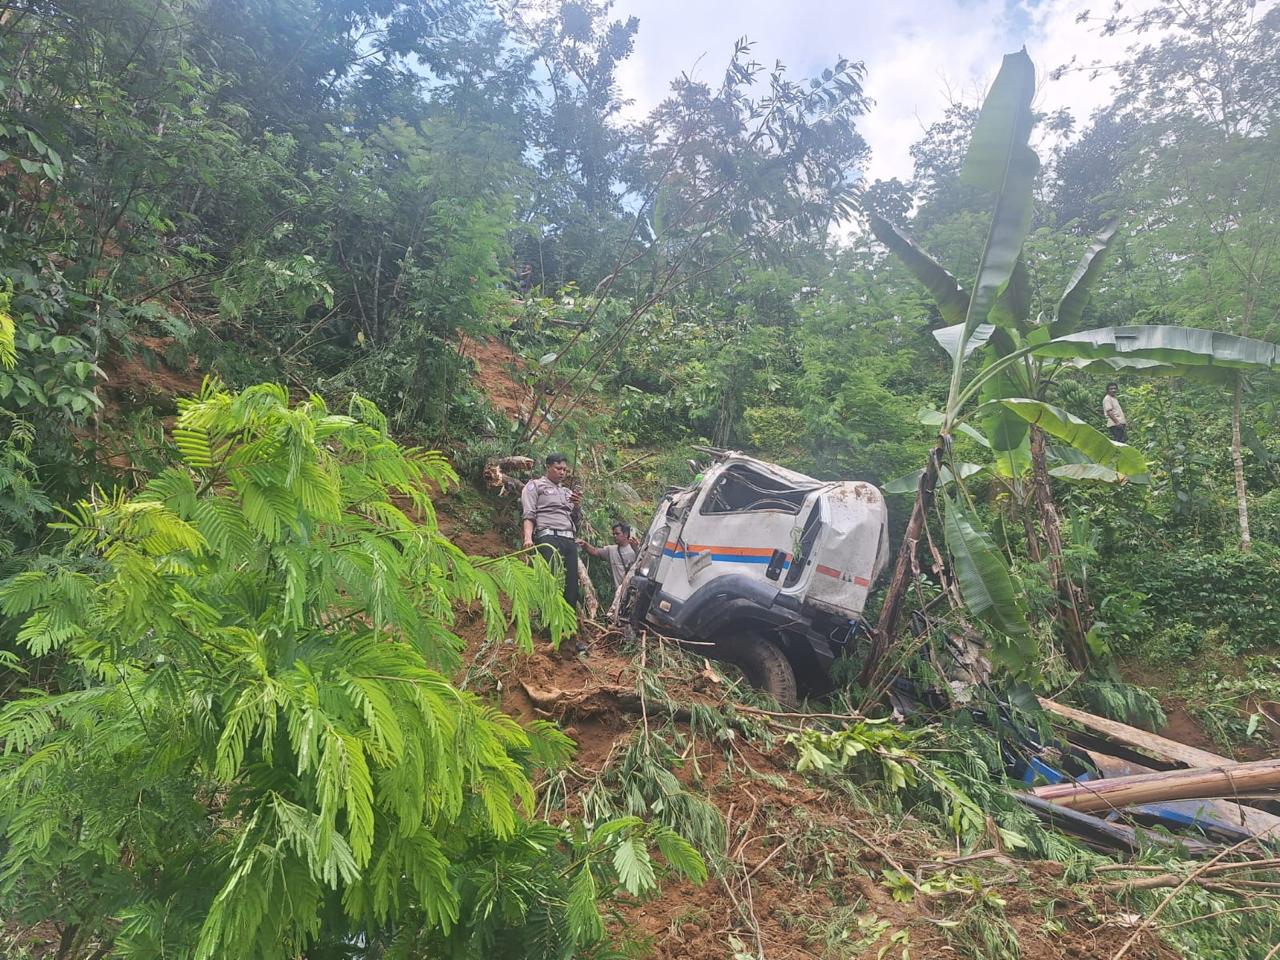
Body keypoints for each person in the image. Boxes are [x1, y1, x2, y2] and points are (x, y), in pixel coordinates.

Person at [521, 452, 582, 612]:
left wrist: (576, 506)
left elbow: (575, 520)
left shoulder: (568, 493)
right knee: (550, 579)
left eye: (565, 470)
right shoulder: (535, 485)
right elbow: (529, 514)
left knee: (571, 584)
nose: (562, 472)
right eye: (558, 468)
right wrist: (528, 538)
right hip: (548, 536)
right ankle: (547, 621)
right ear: (548, 467)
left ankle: (568, 626)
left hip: (569, 539)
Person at [577, 522, 638, 594]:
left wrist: (637, 550)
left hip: (632, 592)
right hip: (619, 593)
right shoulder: (611, 550)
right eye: (613, 534)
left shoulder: (635, 550)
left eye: (617, 534)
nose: (614, 536)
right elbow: (595, 551)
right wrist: (585, 545)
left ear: (626, 534)